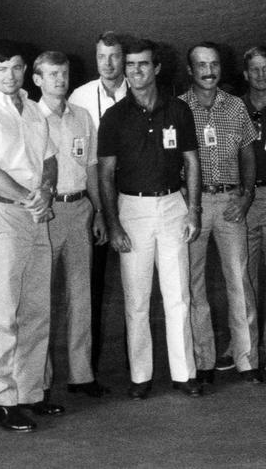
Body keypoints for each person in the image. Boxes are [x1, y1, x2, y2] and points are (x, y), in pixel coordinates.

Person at [0, 40, 61, 432]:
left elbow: (49, 160)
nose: (10, 75)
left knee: (36, 308)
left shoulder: (34, 109)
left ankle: (30, 393)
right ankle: (2, 400)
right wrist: (28, 197)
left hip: (36, 215)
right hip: (4, 213)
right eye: (2, 68)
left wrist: (46, 191)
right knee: (2, 312)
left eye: (17, 67)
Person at [97, 37, 202, 399]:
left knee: (178, 296)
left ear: (156, 68)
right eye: (130, 65)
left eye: (143, 64)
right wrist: (113, 224)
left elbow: (191, 161)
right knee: (137, 300)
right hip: (132, 211)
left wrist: (194, 210)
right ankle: (140, 377)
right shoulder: (114, 117)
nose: (135, 71)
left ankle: (184, 374)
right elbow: (105, 174)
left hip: (173, 206)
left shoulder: (179, 110)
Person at [180, 42, 262, 384]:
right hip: (192, 205)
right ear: (190, 70)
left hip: (230, 201)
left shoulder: (236, 106)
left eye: (213, 64)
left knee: (239, 280)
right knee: (194, 284)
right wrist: (186, 203)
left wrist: (246, 196)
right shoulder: (179, 107)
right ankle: (203, 363)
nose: (209, 71)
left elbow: (248, 154)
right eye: (201, 65)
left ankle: (247, 360)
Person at [33, 51, 108, 398]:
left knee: (81, 296)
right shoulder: (30, 117)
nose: (59, 80)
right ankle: (41, 380)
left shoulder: (82, 117)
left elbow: (91, 166)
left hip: (79, 209)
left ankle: (82, 375)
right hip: (46, 214)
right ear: (38, 79)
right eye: (52, 74)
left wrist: (99, 210)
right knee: (41, 300)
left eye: (63, 73)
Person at [69, 30, 129, 374]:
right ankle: (87, 370)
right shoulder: (79, 97)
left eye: (115, 56)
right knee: (90, 286)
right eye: (102, 57)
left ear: (124, 58)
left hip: (133, 195)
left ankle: (138, 367)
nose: (108, 64)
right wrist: (96, 209)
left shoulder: (139, 90)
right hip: (94, 199)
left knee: (137, 285)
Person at [240, 45, 266, 372]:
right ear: (245, 74)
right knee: (243, 277)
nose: (260, 74)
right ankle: (245, 347)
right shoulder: (234, 107)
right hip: (243, 199)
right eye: (254, 69)